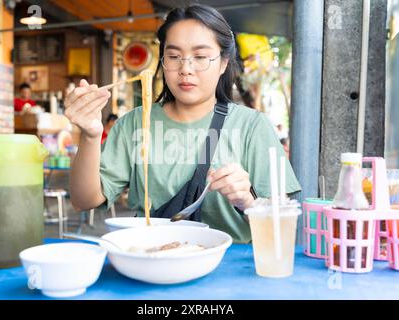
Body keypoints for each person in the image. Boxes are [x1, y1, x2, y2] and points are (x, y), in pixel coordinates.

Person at [64, 4, 301, 243]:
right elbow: (84, 200)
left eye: (200, 57)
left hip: (232, 268)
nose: (185, 69)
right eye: (174, 56)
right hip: (152, 260)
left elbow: (281, 228)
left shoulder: (252, 126)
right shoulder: (134, 123)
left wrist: (248, 202)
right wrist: (90, 136)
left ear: (223, 63)